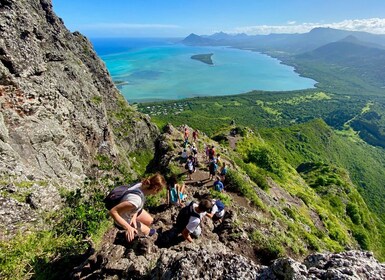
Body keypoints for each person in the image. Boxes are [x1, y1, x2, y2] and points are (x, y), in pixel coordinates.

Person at [108, 173, 166, 242]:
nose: (158, 193)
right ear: (155, 188)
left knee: (150, 221)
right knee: (150, 233)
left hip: (130, 211)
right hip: (122, 220)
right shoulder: (136, 200)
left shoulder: (142, 185)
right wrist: (128, 227)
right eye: (158, 190)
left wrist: (134, 216)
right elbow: (113, 212)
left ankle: (138, 223)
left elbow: (135, 206)